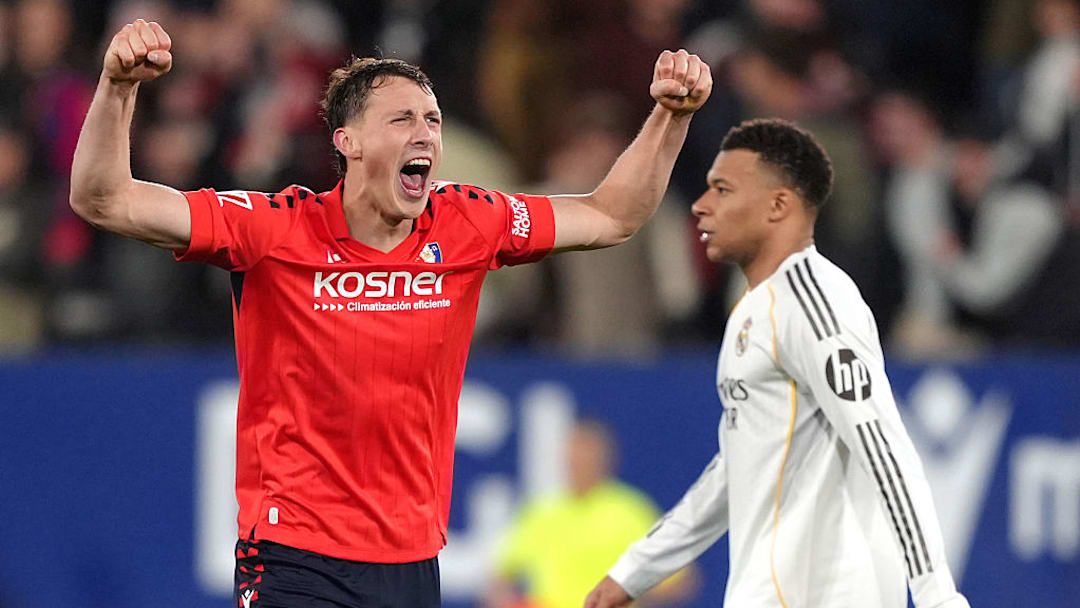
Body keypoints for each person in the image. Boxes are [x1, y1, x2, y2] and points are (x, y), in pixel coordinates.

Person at [68, 19, 712, 608]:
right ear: (346, 141)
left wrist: (669, 118)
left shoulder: (467, 223)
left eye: (432, 119)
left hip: (411, 563)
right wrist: (117, 87)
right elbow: (105, 199)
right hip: (293, 556)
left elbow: (610, 216)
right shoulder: (272, 229)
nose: (426, 133)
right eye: (402, 118)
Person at [584, 119, 970, 608]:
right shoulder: (753, 309)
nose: (702, 206)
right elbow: (737, 468)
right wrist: (635, 571)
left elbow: (883, 446)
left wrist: (938, 595)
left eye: (722, 189)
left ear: (779, 205)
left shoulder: (814, 301)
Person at [486, 420, 697, 608]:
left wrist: (629, 594)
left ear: (604, 459)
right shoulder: (542, 513)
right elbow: (500, 577)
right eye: (573, 455)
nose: (578, 463)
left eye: (586, 455)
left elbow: (680, 581)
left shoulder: (629, 512)